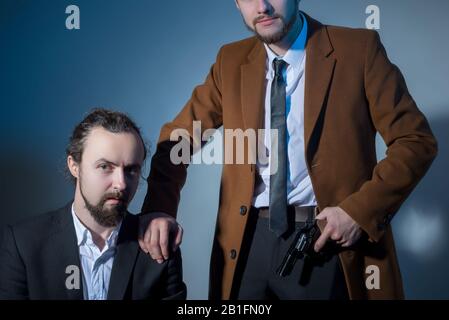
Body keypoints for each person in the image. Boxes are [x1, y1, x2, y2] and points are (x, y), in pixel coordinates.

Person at [138, 0, 437, 299]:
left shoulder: (359, 50)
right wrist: (159, 209)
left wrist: (358, 213)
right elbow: (178, 139)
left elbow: (415, 141)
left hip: (325, 242)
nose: (263, 7)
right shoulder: (229, 61)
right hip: (245, 245)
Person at [0, 108, 186, 300]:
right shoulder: (24, 244)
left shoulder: (159, 247)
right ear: (74, 166)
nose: (121, 184)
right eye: (105, 166)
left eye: (131, 170)